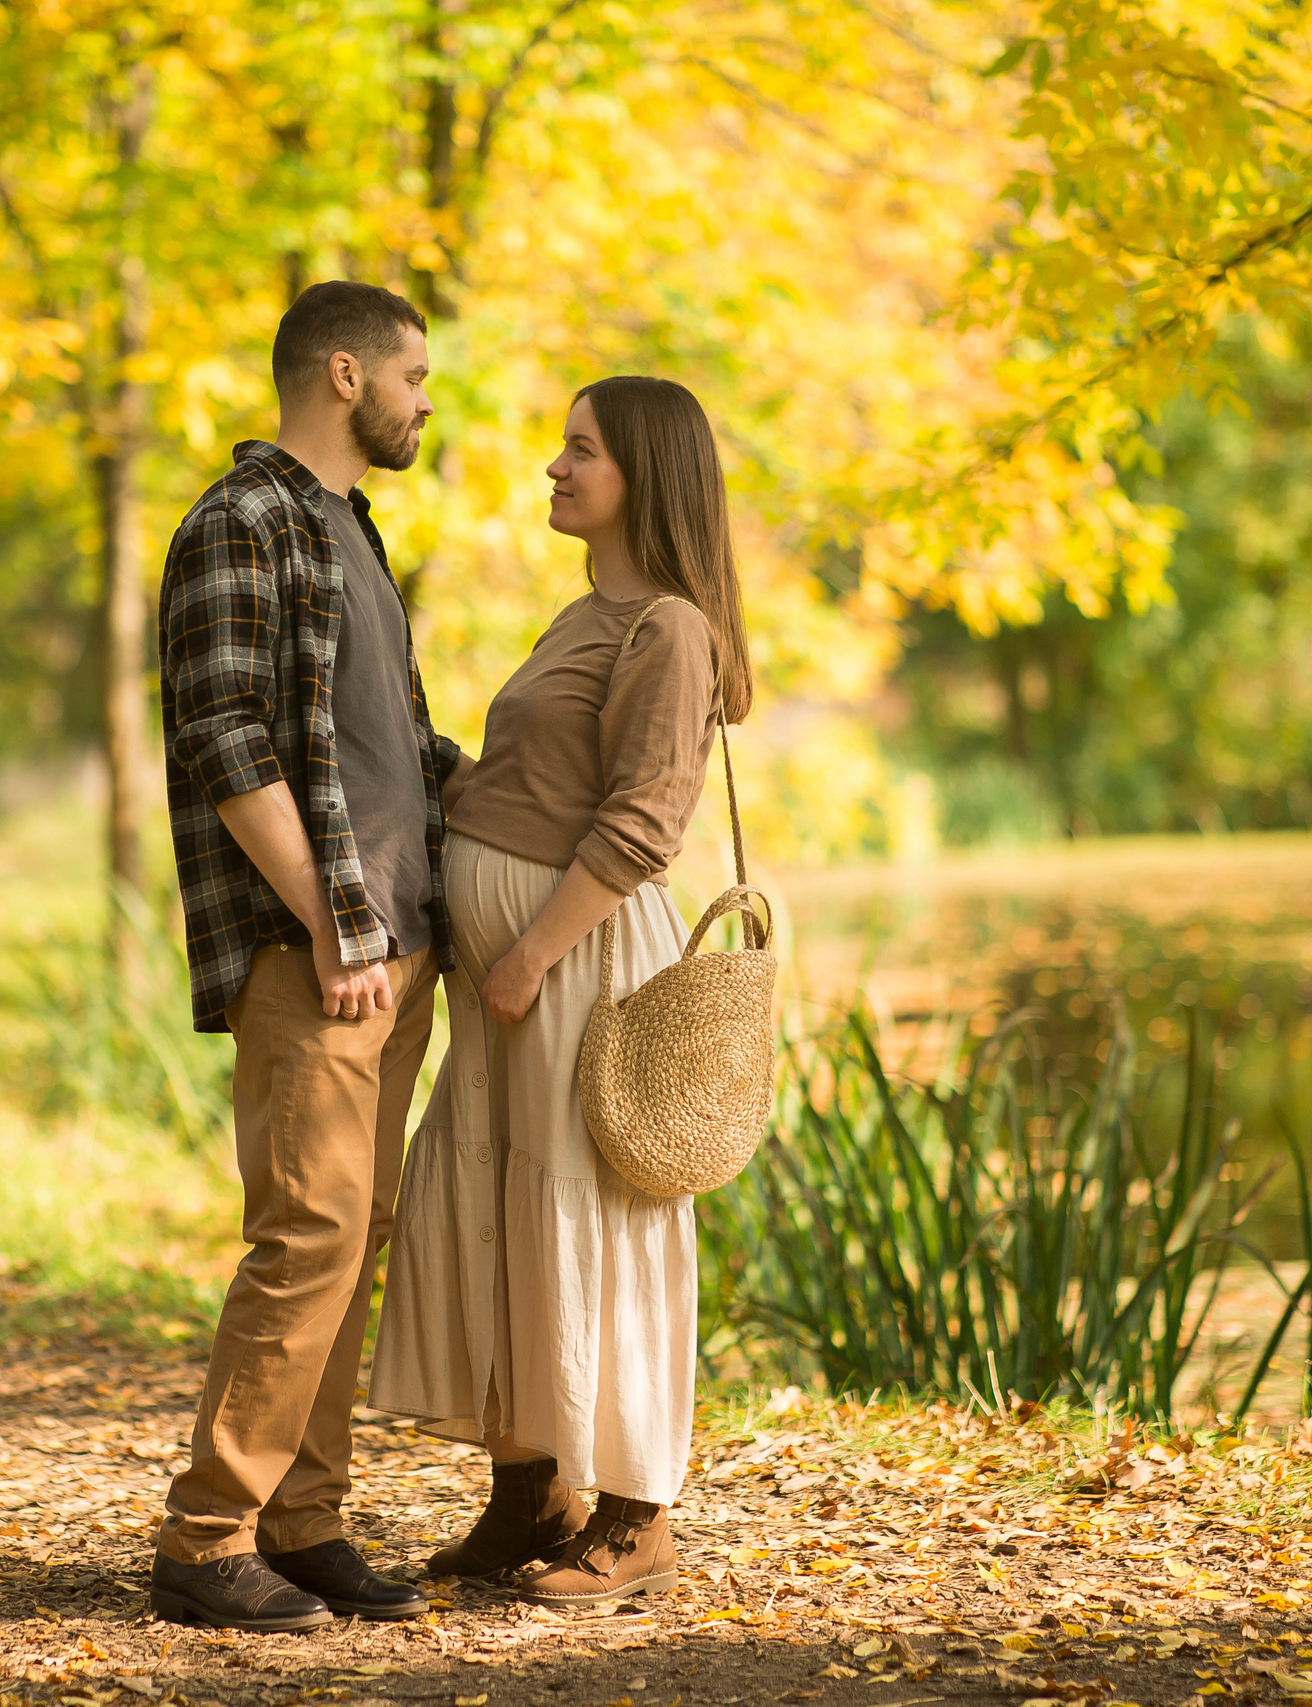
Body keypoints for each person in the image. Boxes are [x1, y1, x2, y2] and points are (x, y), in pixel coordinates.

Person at [372, 375, 754, 1606]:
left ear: (647, 475)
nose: (555, 468)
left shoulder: (667, 629)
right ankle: (533, 1488)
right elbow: (525, 782)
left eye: (581, 452)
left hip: (575, 967)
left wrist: (530, 951)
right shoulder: (582, 615)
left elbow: (643, 822)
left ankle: (640, 1513)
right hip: (522, 971)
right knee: (498, 1206)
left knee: (594, 1212)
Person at [149, 281, 471, 1632]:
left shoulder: (354, 530)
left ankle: (307, 1515)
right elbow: (225, 738)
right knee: (309, 1234)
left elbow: (398, 746)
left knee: (357, 1237)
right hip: (316, 948)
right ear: (344, 375)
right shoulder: (242, 523)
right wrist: (335, 920)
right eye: (413, 374)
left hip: (397, 951)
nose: (425, 400)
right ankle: (204, 1535)